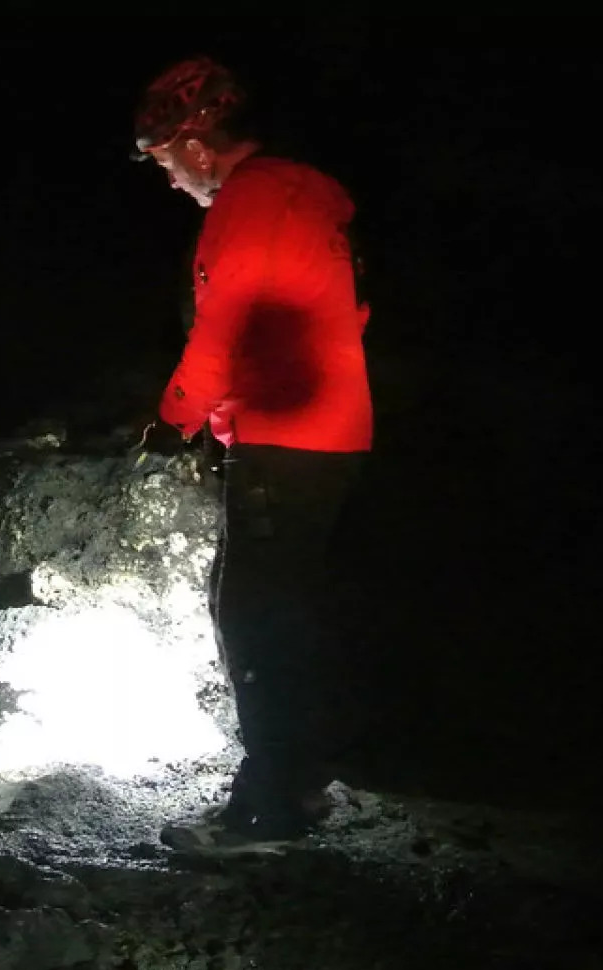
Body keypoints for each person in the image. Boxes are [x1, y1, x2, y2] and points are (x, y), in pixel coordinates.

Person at [131, 57, 373, 854]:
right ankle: (301, 776)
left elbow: (222, 326)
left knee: (254, 617)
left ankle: (270, 807)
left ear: (198, 146)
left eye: (166, 160)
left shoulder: (250, 201)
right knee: (287, 608)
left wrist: (172, 422)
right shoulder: (307, 198)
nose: (169, 181)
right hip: (326, 433)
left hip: (287, 438)